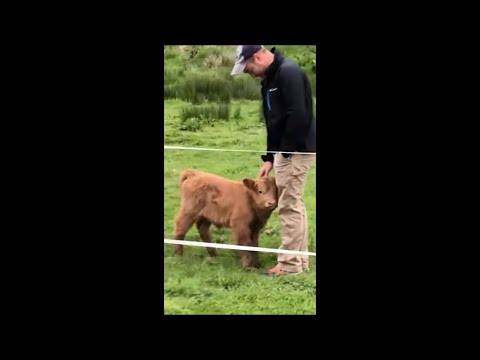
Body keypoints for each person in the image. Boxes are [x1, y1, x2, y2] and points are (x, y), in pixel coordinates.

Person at [231, 45, 316, 276]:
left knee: (288, 205)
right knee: (293, 204)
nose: (249, 73)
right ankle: (299, 261)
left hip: (296, 151)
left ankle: (288, 265)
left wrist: (286, 152)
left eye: (248, 68)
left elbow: (298, 115)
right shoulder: (270, 78)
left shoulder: (289, 72)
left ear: (257, 56)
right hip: (283, 152)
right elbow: (273, 121)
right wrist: (270, 157)